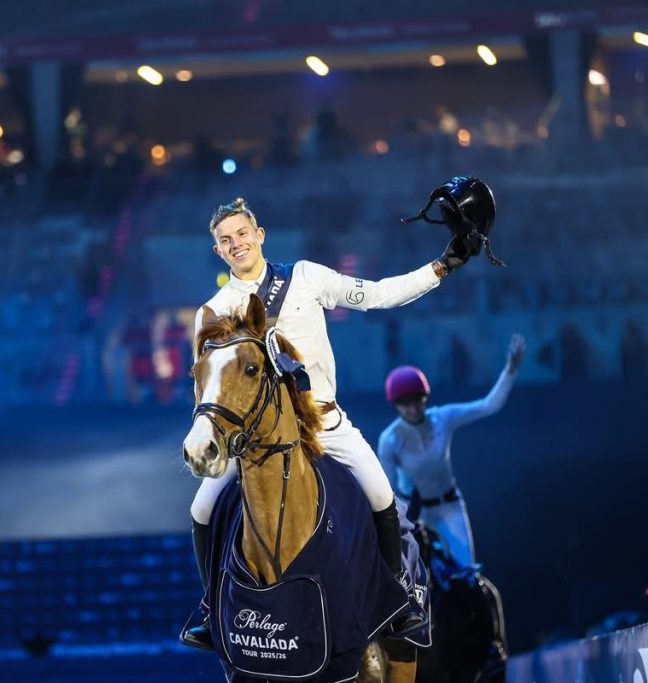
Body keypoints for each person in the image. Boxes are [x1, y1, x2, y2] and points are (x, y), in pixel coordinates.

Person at [181, 197, 478, 649]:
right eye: (226, 240)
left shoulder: (305, 276)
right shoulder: (212, 311)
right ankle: (210, 608)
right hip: (254, 441)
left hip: (322, 424)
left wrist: (442, 266)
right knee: (200, 510)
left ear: (259, 235)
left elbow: (377, 295)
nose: (236, 243)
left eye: (242, 234)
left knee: (382, 495)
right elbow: (207, 386)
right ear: (217, 252)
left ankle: (398, 597)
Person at [378, 334, 526, 568]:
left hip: (449, 507)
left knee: (466, 573)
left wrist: (511, 369)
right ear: (395, 405)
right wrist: (406, 522)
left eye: (417, 400)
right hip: (416, 516)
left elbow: (489, 405)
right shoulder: (389, 439)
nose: (413, 408)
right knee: (416, 580)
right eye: (405, 403)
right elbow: (390, 491)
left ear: (425, 399)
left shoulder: (442, 418)